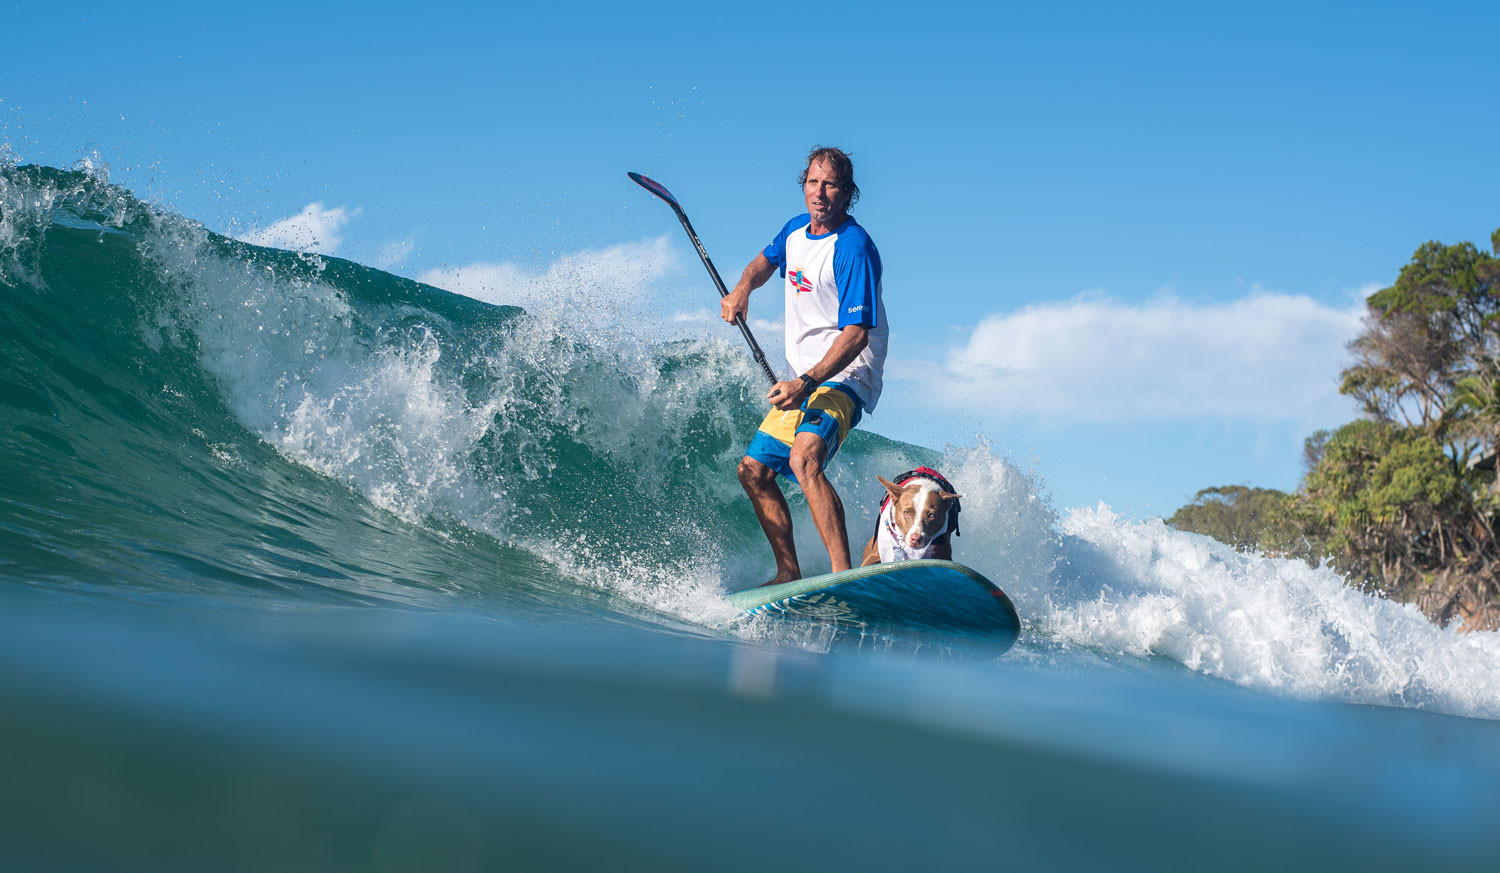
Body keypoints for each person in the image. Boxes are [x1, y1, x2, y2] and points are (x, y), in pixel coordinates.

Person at [720, 146, 888, 584]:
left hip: (849, 375)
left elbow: (856, 336)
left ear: (848, 193)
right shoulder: (795, 232)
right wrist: (742, 290)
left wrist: (806, 380)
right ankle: (787, 573)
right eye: (813, 182)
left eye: (831, 184)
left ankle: (842, 577)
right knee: (752, 472)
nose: (820, 192)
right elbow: (762, 263)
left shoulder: (853, 248)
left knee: (805, 457)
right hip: (805, 380)